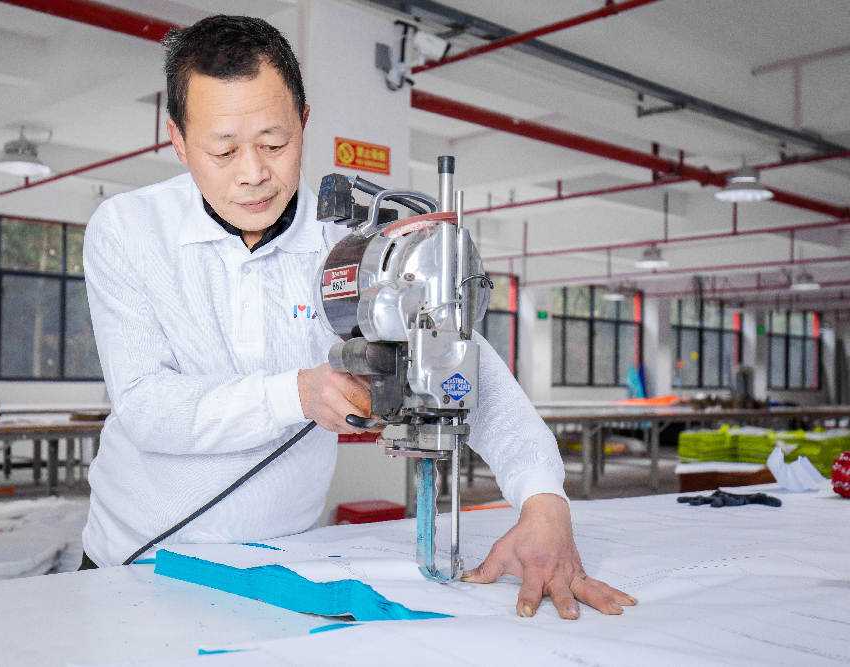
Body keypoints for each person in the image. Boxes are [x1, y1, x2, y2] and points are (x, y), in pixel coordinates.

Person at [80, 14, 636, 620]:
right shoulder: (128, 231)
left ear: (304, 122)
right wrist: (295, 394)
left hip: (281, 566)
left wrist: (543, 499)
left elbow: (465, 371)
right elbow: (145, 409)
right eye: (222, 150)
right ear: (179, 140)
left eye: (274, 143)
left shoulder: (355, 241)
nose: (253, 173)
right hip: (134, 563)